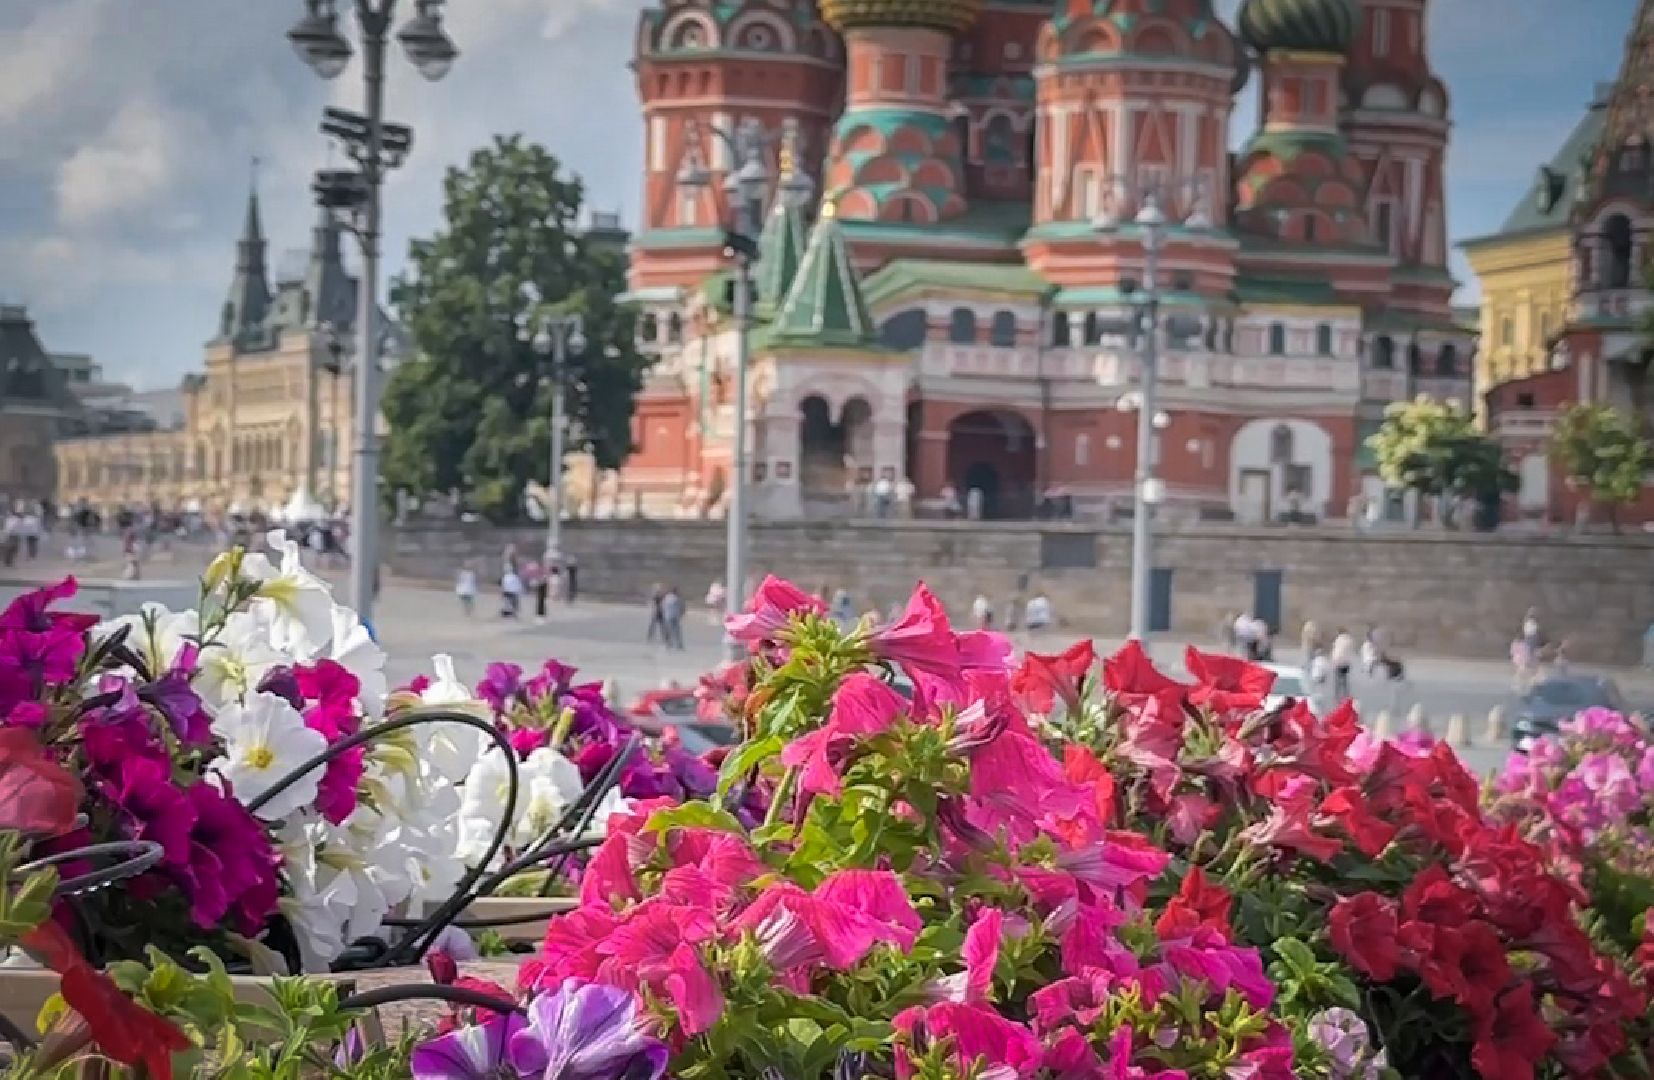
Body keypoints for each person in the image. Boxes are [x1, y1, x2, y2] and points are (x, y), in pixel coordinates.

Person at [1330, 628, 1357, 702]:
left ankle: (1337, 696)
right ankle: (1346, 695)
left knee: (1337, 680)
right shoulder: (1350, 639)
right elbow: (1352, 650)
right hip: (1346, 663)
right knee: (1345, 680)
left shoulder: (1338, 639)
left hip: (1338, 661)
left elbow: (1335, 650)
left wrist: (1333, 661)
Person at [1306, 646, 1333, 716]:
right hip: (1326, 695)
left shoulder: (1319, 662)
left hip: (1319, 695)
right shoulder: (1327, 662)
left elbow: (1317, 676)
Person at [662, 586, 686, 650]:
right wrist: (682, 614)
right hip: (675, 616)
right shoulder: (677, 598)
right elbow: (682, 607)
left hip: (668, 616)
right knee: (677, 631)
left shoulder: (667, 597)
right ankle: (679, 644)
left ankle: (669, 643)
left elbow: (663, 606)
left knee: (669, 631)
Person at [525, 558, 548, 624]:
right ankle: (540, 615)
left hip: (541, 583)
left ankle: (540, 615)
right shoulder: (540, 569)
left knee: (540, 600)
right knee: (540, 600)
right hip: (541, 583)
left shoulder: (538, 569)